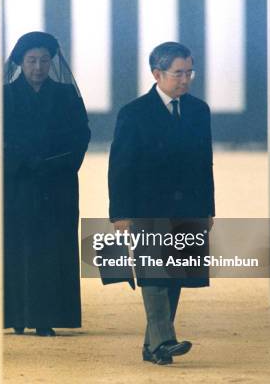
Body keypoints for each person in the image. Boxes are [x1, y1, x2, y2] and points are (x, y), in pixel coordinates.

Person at [108, 41, 215, 365]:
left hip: (187, 208)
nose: (186, 79)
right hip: (147, 207)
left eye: (190, 72)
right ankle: (164, 341)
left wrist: (208, 209)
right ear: (157, 73)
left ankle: (152, 346)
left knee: (176, 276)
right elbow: (120, 166)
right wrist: (120, 214)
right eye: (178, 73)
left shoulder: (199, 111)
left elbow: (204, 163)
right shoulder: (134, 113)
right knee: (154, 276)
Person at [3, 31, 90, 336]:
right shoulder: (4, 97)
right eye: (31, 61)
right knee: (17, 247)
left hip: (57, 185)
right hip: (17, 184)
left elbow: (81, 136)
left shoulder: (66, 95)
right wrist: (25, 163)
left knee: (52, 248)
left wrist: (55, 164)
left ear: (52, 62)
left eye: (43, 60)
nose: (38, 67)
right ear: (20, 63)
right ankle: (15, 314)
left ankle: (47, 315)